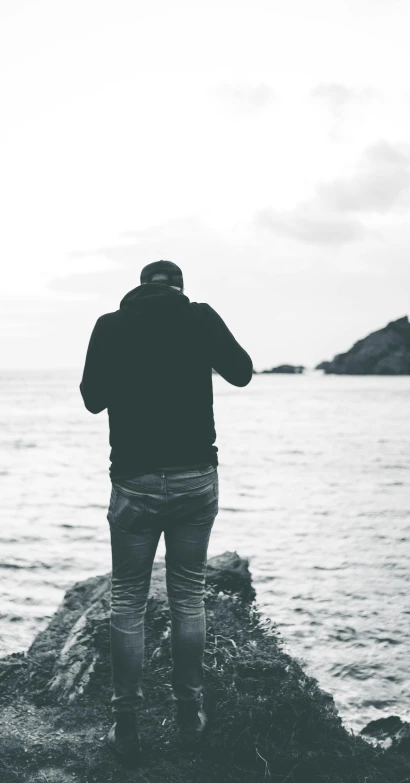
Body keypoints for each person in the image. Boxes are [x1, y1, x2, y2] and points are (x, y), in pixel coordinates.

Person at [79, 260, 253, 757]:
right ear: (178, 287)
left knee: (128, 600)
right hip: (196, 476)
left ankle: (127, 724)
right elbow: (241, 373)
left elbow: (93, 399)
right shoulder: (199, 318)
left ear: (139, 287)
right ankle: (188, 715)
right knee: (188, 596)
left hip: (133, 478)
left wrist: (132, 372)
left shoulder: (111, 325)